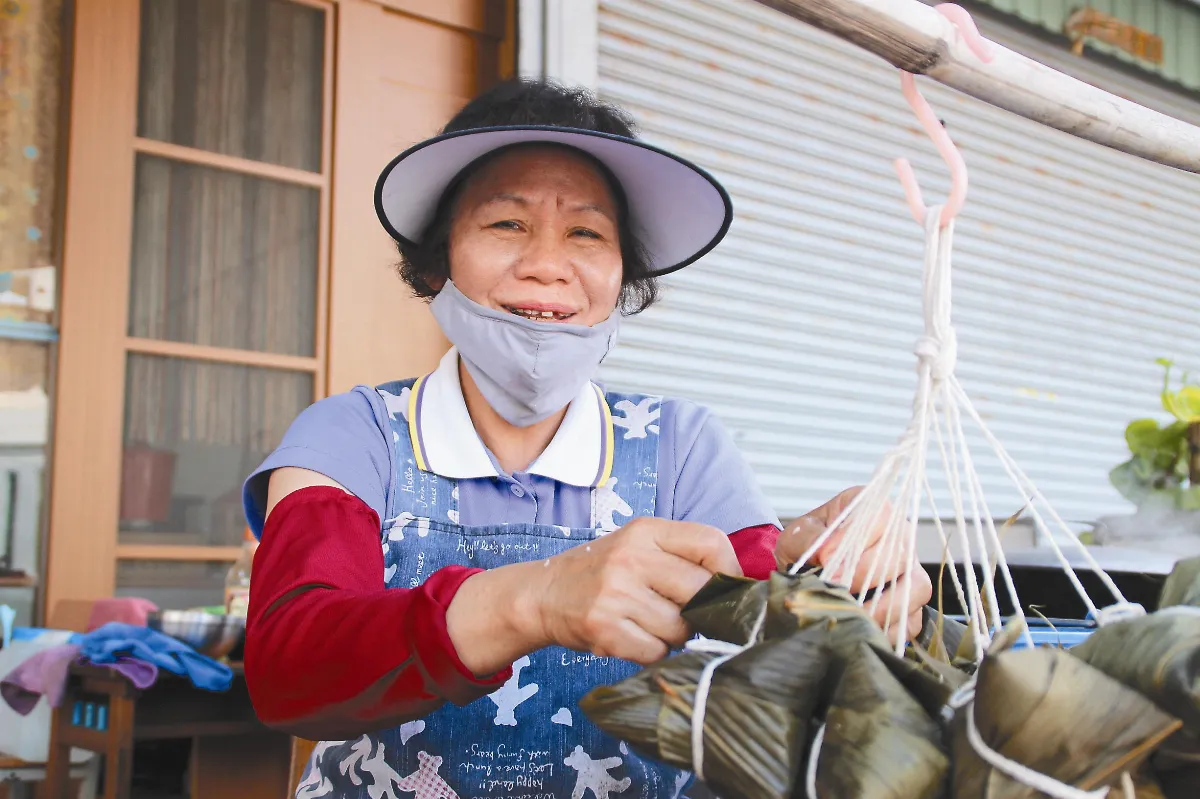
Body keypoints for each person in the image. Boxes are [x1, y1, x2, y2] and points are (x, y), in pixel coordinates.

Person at [242, 79, 933, 799]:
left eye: (587, 233)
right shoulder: (355, 434)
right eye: (506, 224)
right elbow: (291, 668)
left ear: (623, 275)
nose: (547, 263)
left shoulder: (681, 445)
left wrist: (833, 574)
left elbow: (761, 606)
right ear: (438, 258)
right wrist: (533, 600)